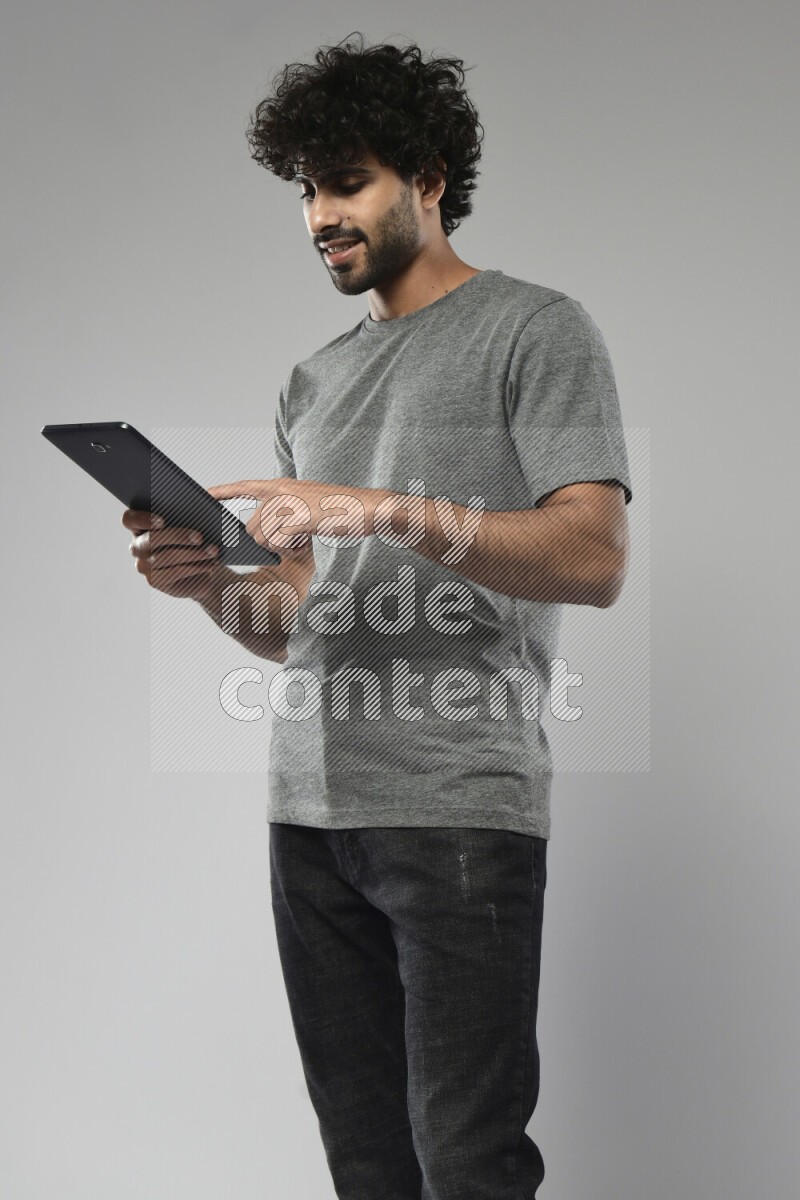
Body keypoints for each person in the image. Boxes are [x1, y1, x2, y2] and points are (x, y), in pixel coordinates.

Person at [123, 32, 632, 1200]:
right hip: (307, 813)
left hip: (456, 808)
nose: (319, 216)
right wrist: (211, 586)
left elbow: (593, 556)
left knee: (466, 1166)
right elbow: (296, 615)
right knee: (368, 1171)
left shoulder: (535, 330)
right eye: (307, 190)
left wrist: (380, 508)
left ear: (429, 179)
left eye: (345, 183)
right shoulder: (310, 380)